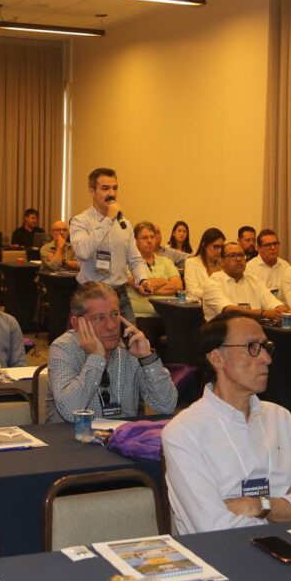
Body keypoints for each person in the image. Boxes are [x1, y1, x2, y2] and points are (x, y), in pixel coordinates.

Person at [162, 311, 291, 533]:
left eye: (266, 347)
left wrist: (259, 505)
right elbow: (214, 528)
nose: (267, 358)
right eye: (252, 347)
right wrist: (289, 506)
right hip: (227, 552)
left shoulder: (280, 418)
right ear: (217, 358)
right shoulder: (184, 432)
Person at [47, 282, 177, 423]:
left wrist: (147, 358)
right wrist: (97, 357)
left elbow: (166, 406)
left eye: (115, 315)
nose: (111, 326)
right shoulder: (64, 348)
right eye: (100, 318)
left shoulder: (130, 348)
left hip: (123, 434)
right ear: (77, 324)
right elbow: (69, 411)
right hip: (76, 434)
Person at [69, 168, 151, 321]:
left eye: (115, 188)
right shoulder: (80, 221)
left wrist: (142, 279)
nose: (111, 193)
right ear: (92, 191)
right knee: (91, 336)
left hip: (119, 294)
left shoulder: (124, 224)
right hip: (90, 295)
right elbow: (82, 252)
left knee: (132, 335)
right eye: (105, 188)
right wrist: (108, 220)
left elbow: (135, 260)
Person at [202, 243, 291, 322]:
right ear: (221, 261)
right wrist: (263, 313)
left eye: (241, 255)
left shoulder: (254, 280)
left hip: (253, 333)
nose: (238, 259)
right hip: (222, 334)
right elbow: (229, 311)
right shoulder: (212, 282)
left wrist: (286, 311)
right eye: (232, 256)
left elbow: (273, 303)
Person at [128, 222, 182, 317]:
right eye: (144, 237)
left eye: (152, 237)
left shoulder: (166, 261)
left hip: (170, 315)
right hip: (141, 317)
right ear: (135, 240)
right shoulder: (128, 263)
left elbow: (178, 285)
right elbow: (139, 284)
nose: (149, 241)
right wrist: (164, 281)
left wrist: (148, 289)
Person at [246, 229, 290, 303]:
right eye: (268, 245)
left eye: (275, 244)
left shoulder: (285, 265)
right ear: (258, 248)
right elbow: (250, 297)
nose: (273, 248)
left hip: (284, 306)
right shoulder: (250, 268)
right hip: (262, 308)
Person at [183, 227, 226, 301]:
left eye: (221, 247)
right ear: (204, 245)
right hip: (200, 305)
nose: (219, 251)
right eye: (216, 247)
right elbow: (193, 292)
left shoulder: (223, 264)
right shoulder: (191, 263)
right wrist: (216, 295)